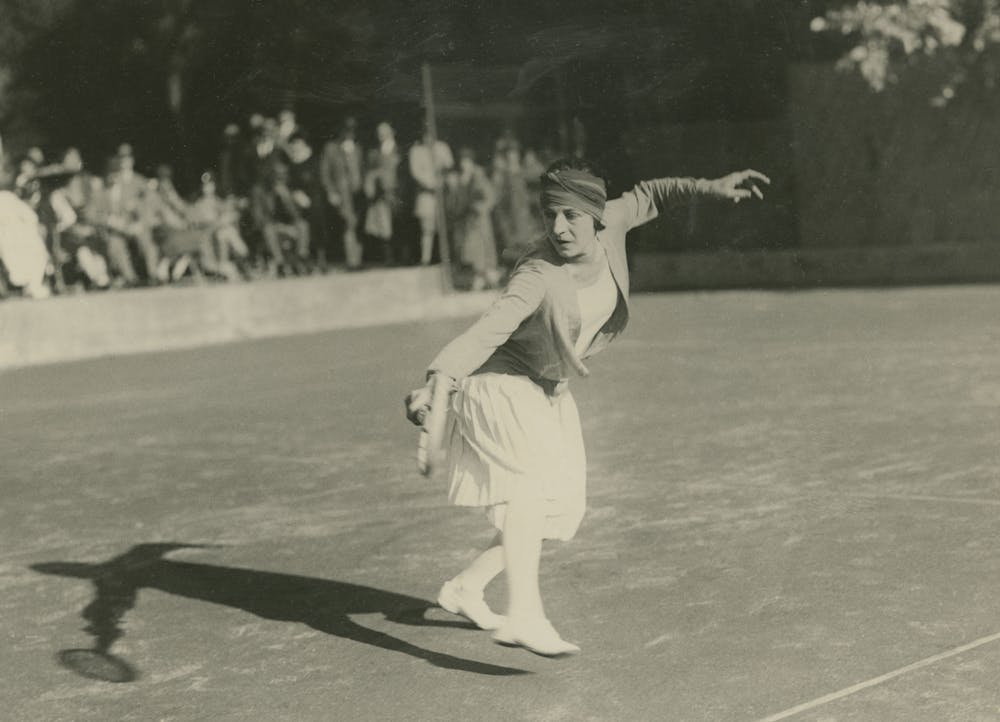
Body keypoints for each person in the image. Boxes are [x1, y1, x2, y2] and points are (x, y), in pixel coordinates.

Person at [405, 158, 769, 657]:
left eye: (571, 216)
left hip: (548, 387)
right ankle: (525, 615)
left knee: (560, 509)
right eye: (550, 214)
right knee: (528, 492)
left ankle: (465, 588)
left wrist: (712, 184)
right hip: (501, 381)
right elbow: (489, 329)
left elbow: (654, 189)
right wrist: (441, 377)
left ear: (596, 215)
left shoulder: (613, 220)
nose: (558, 227)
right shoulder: (537, 272)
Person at [448, 147, 500, 290]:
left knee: (482, 247)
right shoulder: (461, 178)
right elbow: (458, 201)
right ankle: (483, 277)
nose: (464, 164)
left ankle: (486, 277)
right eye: (462, 161)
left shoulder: (479, 176)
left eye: (467, 161)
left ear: (471, 162)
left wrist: (482, 207)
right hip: (468, 220)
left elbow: (490, 197)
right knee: (472, 249)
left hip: (480, 218)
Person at [320, 117, 365, 269]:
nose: (349, 133)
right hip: (342, 193)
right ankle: (353, 261)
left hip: (358, 193)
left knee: (357, 224)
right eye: (346, 130)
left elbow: (362, 170)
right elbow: (325, 174)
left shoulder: (358, 149)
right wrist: (331, 192)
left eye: (352, 130)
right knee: (349, 223)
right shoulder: (331, 148)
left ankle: (357, 259)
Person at [408, 126, 454, 265]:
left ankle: (445, 258)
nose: (427, 137)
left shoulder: (442, 148)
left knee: (443, 227)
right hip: (426, 194)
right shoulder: (416, 151)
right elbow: (415, 173)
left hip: (442, 194)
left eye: (430, 134)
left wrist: (442, 179)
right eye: (425, 134)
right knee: (427, 228)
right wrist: (430, 184)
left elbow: (449, 165)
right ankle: (426, 259)